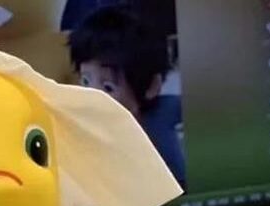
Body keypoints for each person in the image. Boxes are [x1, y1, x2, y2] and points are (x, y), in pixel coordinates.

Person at [68, 5, 187, 189]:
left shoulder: (167, 122)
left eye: (108, 87)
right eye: (85, 81)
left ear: (151, 86)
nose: (91, 95)